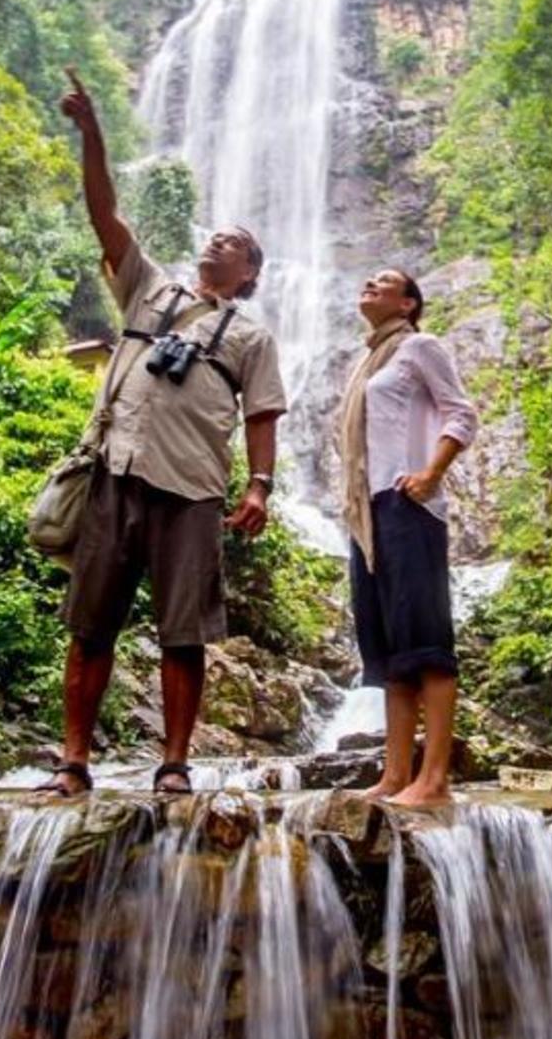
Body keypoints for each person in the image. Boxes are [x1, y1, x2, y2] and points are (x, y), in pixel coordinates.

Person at [49, 71, 287, 796]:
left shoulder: (250, 334)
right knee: (90, 627)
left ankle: (175, 763)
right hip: (116, 471)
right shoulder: (150, 287)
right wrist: (93, 136)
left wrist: (260, 484)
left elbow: (263, 415)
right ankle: (73, 761)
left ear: (248, 273)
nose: (219, 239)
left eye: (236, 242)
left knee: (183, 633)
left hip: (191, 491)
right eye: (216, 234)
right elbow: (105, 214)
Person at [337, 268, 479, 806]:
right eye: (367, 278)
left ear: (410, 302)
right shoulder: (367, 362)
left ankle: (435, 776)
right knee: (393, 653)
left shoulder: (420, 346)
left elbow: (461, 414)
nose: (369, 283)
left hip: (408, 507)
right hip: (368, 513)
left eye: (384, 280)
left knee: (426, 646)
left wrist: (430, 473)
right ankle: (396, 774)